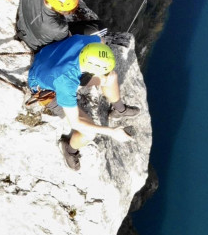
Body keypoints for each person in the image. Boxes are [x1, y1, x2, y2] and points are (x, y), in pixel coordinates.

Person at [28, 34, 140, 170]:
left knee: (111, 77)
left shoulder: (85, 43)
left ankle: (119, 109)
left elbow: (101, 40)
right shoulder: (66, 83)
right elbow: (75, 122)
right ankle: (69, 149)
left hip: (49, 61)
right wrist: (112, 132)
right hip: (47, 91)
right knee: (88, 133)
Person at [0, 0, 107, 51]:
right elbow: (67, 44)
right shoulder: (59, 27)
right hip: (35, 46)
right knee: (101, 28)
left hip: (22, 26)